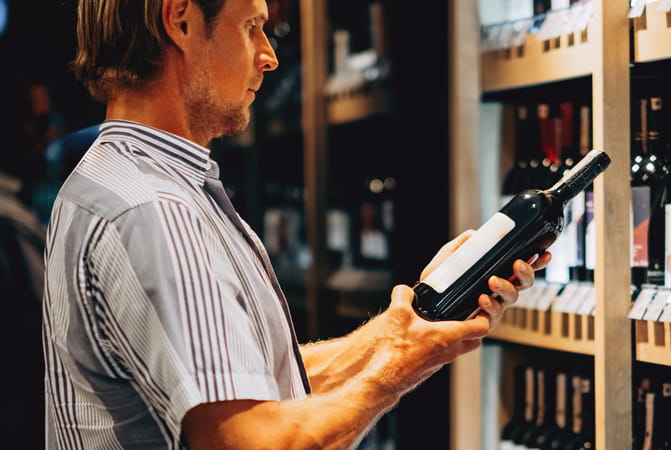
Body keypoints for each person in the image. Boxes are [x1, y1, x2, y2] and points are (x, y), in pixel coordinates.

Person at [43, 0, 551, 449]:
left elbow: (247, 383)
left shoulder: (111, 182)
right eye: (251, 28)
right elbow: (253, 442)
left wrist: (400, 330)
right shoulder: (155, 211)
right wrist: (399, 368)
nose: (269, 55)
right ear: (180, 20)